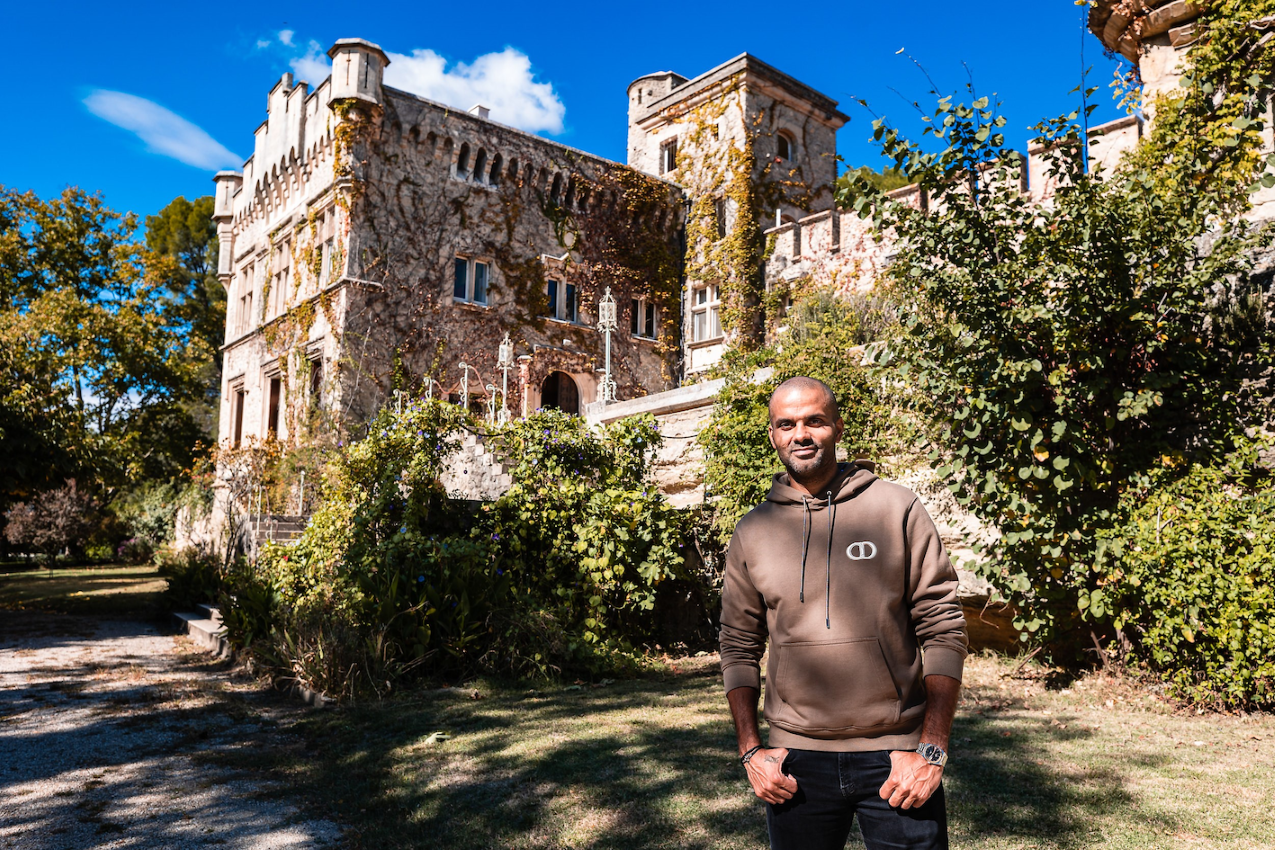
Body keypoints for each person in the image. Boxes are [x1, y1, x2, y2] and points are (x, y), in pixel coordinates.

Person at [719, 376, 968, 850]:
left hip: (897, 755)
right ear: (773, 435)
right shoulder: (753, 531)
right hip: (795, 760)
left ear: (836, 425)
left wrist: (932, 749)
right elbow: (737, 644)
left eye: (814, 420)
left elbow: (943, 629)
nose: (801, 434)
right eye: (786, 424)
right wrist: (752, 750)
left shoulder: (896, 508)